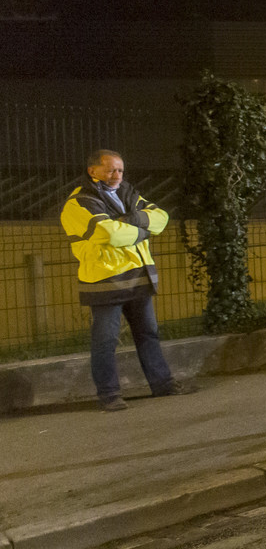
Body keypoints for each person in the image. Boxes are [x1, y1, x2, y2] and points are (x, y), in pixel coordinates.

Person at [59, 149, 193, 411]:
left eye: (120, 170)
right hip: (106, 279)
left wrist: (131, 220)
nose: (116, 175)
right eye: (110, 170)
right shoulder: (79, 202)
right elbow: (108, 233)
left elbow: (162, 218)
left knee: (148, 335)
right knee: (105, 341)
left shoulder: (128, 193)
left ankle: (162, 385)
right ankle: (109, 395)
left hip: (138, 276)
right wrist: (144, 231)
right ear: (93, 171)